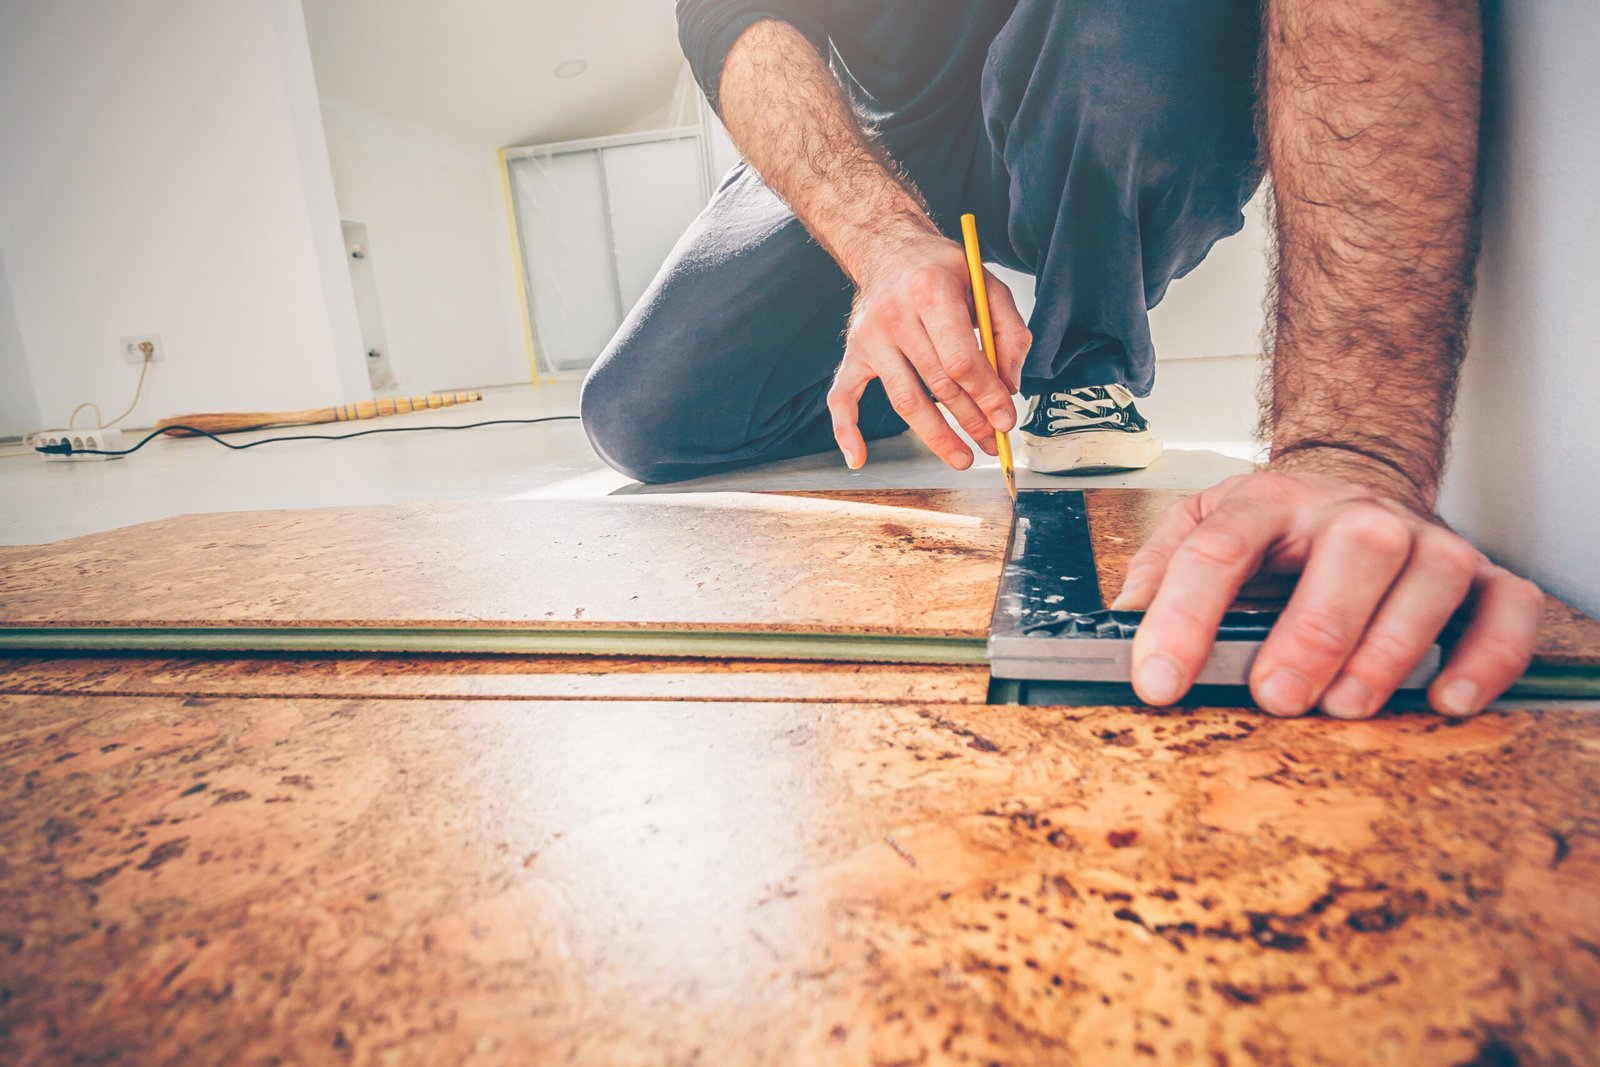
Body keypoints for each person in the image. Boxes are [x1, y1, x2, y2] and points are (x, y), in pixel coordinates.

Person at [580, 0, 1543, 719]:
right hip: (884, 134)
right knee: (642, 412)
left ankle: (1087, 350)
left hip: (1117, 57)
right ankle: (934, 352)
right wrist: (880, 243)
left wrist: (1353, 450)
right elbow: (731, 19)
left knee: (1124, 32)